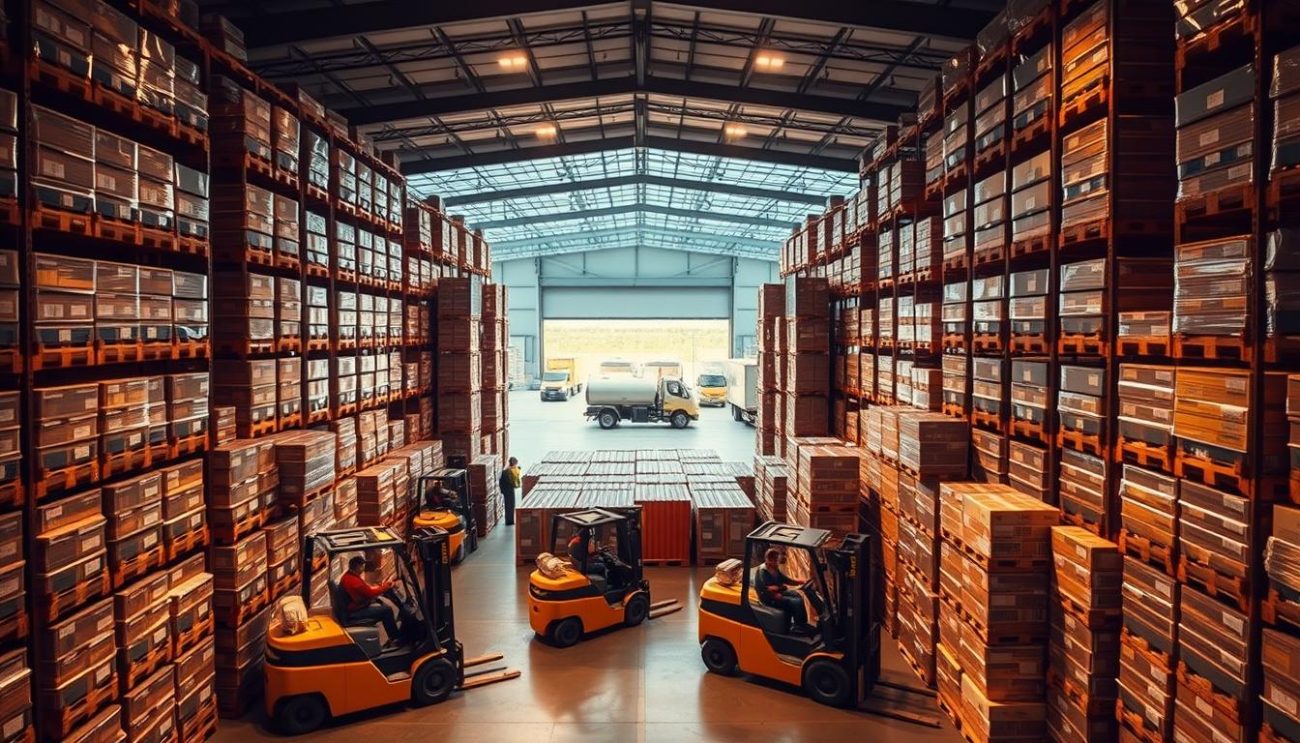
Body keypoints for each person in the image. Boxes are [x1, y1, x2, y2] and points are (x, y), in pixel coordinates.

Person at [754, 548, 820, 634]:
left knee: (797, 595)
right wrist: (774, 594)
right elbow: (763, 589)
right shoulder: (762, 571)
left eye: (776, 559)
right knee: (796, 602)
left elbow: (784, 579)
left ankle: (801, 623)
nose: (777, 561)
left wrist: (799, 581)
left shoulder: (774, 568)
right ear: (768, 559)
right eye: (775, 559)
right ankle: (799, 626)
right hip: (768, 598)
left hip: (777, 593)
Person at [340, 556, 401, 643]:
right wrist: (385, 587)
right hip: (355, 612)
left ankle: (393, 637)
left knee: (380, 603)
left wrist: (380, 586)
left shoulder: (349, 576)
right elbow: (370, 593)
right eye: (362, 566)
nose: (363, 568)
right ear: (358, 567)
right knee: (387, 610)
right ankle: (395, 638)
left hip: (355, 607)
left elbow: (367, 589)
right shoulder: (354, 581)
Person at [499, 457, 522, 526]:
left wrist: (502, 491)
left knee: (508, 505)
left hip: (506, 490)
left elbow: (501, 482)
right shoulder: (510, 471)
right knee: (510, 505)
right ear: (514, 463)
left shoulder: (506, 471)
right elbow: (515, 480)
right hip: (509, 489)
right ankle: (510, 521)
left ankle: (509, 520)